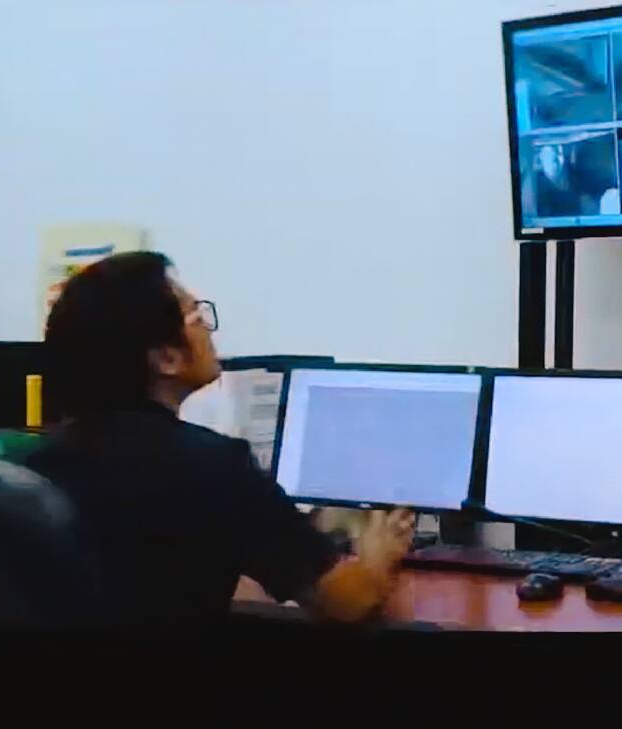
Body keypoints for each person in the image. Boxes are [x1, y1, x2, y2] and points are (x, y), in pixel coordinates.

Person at [25, 251, 413, 629]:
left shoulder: (33, 470)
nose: (209, 330)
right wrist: (377, 558)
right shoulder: (213, 467)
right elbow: (346, 604)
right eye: (197, 316)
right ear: (167, 358)